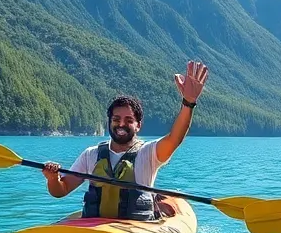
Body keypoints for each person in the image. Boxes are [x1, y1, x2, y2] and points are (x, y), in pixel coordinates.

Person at [41, 61, 209, 221]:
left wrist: (189, 103)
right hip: (94, 228)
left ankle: (161, 204)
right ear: (109, 121)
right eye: (116, 119)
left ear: (138, 126)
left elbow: (174, 138)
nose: (121, 124)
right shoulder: (90, 155)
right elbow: (60, 191)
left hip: (136, 230)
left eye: (129, 120)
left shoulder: (149, 153)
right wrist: (52, 178)